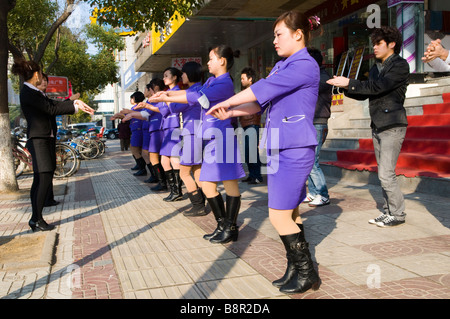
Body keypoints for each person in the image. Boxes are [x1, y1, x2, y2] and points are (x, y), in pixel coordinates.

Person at [206, 12, 321, 294]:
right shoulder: (283, 66)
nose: (274, 41)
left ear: (298, 34)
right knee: (290, 213)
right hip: (281, 145)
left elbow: (261, 89)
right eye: (273, 35)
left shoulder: (305, 64)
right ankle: (297, 269)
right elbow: (260, 102)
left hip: (293, 146)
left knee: (278, 215)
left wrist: (230, 101)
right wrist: (230, 111)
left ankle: (307, 273)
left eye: (279, 34)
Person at [149, 45, 245, 244]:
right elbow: (193, 95)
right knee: (208, 186)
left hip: (222, 138)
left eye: (211, 58)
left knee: (230, 185)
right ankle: (221, 225)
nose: (207, 63)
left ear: (222, 61)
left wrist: (166, 96)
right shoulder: (210, 81)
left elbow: (194, 97)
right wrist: (167, 96)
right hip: (209, 140)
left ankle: (230, 227)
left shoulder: (225, 83)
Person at [327, 26, 409, 228]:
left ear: (391, 44)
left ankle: (398, 214)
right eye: (374, 43)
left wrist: (350, 82)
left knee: (386, 173)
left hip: (393, 124)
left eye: (379, 43)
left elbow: (379, 87)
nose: (375, 47)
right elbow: (366, 92)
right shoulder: (375, 67)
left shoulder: (400, 65)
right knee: (383, 171)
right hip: (378, 123)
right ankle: (388, 211)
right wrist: (345, 88)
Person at [11, 59, 94, 232]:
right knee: (44, 178)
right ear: (36, 75)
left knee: (41, 179)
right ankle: (36, 219)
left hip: (45, 139)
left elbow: (52, 105)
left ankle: (36, 218)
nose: (42, 77)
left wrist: (75, 104)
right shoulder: (29, 92)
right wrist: (75, 105)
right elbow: (51, 109)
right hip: (38, 140)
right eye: (41, 74)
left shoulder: (34, 91)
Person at [123, 79, 166, 190]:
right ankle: (159, 179)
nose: (144, 92)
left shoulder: (157, 99)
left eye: (146, 89)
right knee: (155, 156)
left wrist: (131, 114)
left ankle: (162, 181)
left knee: (156, 156)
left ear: (154, 88)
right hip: (152, 129)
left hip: (157, 129)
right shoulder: (152, 101)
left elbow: (146, 113)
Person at [304, 47, 332, 207]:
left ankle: (323, 194)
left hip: (318, 122)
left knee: (313, 161)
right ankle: (314, 193)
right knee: (309, 160)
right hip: (311, 122)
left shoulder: (322, 77)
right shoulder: (316, 76)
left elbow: (312, 89)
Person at [238, 67, 263, 185]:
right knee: (248, 152)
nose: (241, 81)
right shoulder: (245, 92)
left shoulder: (255, 91)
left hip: (253, 124)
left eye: (243, 78)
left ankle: (257, 176)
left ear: (250, 79)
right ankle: (252, 175)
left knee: (252, 152)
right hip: (245, 124)